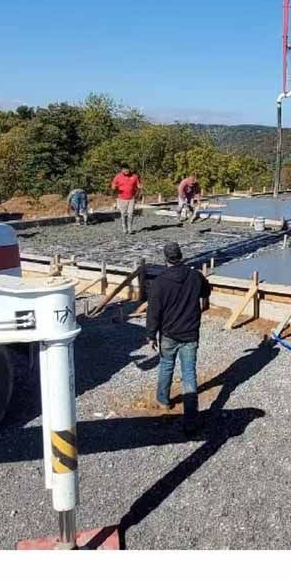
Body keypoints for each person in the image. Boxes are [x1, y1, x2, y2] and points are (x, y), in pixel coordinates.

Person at [147, 240, 211, 429]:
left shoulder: (159, 282)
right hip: (190, 333)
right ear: (181, 256)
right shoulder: (195, 276)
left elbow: (153, 311)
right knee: (189, 372)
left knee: (166, 365)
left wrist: (150, 335)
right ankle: (191, 418)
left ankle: (163, 400)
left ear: (166, 259)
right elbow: (206, 291)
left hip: (168, 333)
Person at [110, 166, 140, 234]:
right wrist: (114, 187)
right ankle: (124, 228)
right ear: (122, 170)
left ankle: (130, 228)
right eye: (124, 169)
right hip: (122, 198)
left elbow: (138, 185)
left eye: (127, 169)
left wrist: (139, 187)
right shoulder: (118, 176)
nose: (126, 171)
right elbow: (113, 185)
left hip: (131, 198)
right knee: (123, 214)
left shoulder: (134, 176)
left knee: (131, 213)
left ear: (129, 169)